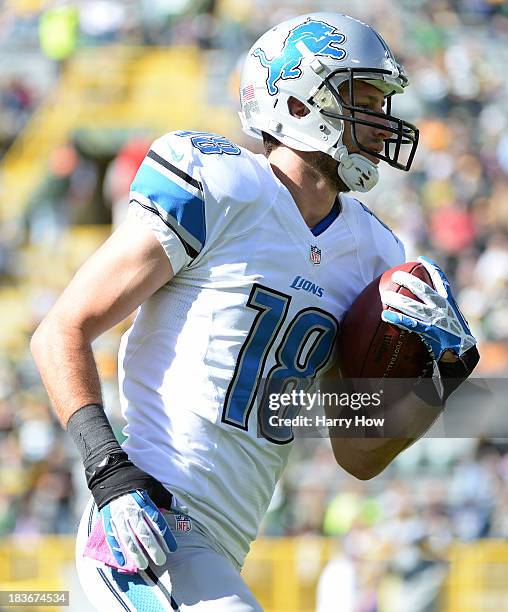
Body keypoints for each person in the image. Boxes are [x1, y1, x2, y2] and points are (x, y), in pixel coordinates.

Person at [30, 12, 479, 611]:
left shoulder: (374, 251)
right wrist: (107, 472)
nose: (380, 122)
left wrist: (432, 386)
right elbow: (61, 329)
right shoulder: (218, 182)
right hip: (150, 525)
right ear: (297, 104)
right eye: (362, 100)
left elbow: (357, 453)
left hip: (220, 547)